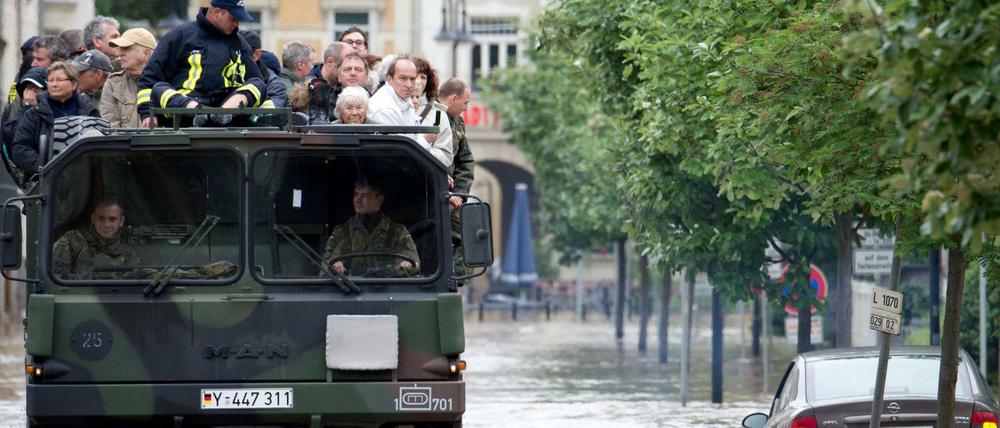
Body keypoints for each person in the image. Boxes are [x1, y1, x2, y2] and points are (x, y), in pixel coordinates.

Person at [137, 0, 266, 128]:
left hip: (227, 116)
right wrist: (147, 113)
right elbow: (149, 79)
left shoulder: (240, 44)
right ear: (216, 13)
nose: (237, 24)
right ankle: (199, 111)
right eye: (233, 18)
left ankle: (223, 113)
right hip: (186, 115)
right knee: (159, 88)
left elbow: (257, 83)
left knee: (258, 83)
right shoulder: (180, 35)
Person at [11, 61, 101, 178]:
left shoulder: (89, 111)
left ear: (74, 83)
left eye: (59, 80)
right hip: (47, 182)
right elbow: (20, 148)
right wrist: (46, 167)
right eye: (51, 80)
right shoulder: (34, 114)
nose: (54, 84)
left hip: (84, 179)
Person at [323, 179, 419, 277]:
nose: (357, 200)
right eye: (356, 194)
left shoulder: (396, 232)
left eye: (364, 196)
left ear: (380, 200)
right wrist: (334, 267)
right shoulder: (342, 232)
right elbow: (326, 267)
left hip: (386, 290)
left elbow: (413, 264)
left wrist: (403, 267)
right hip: (349, 289)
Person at [439, 78, 475, 279]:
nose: (466, 108)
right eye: (465, 103)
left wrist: (460, 195)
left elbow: (465, 160)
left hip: (453, 197)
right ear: (453, 99)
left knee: (469, 233)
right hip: (434, 191)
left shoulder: (458, 123)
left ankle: (456, 279)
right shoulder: (431, 118)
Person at [52, 197, 139, 280]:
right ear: (93, 219)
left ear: (121, 221)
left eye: (112, 219)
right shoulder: (72, 241)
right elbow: (56, 279)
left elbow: (130, 286)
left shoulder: (129, 255)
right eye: (101, 219)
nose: (106, 225)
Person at [367, 55, 438, 153]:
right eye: (402, 78)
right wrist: (425, 140)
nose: (409, 85)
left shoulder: (403, 96)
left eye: (412, 79)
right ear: (389, 78)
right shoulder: (385, 108)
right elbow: (399, 152)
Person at [101, 28, 157, 128]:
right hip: (123, 143)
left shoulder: (168, 81)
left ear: (146, 53)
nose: (119, 53)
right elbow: (110, 127)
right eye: (120, 48)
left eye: (126, 48)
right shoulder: (114, 83)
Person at [1, 67, 46, 186]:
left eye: (35, 89)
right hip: (30, 176)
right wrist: (28, 107)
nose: (30, 93)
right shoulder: (17, 109)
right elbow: (11, 137)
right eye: (27, 88)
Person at [412, 56, 452, 167]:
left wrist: (425, 151)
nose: (418, 80)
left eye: (423, 77)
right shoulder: (395, 107)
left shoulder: (438, 114)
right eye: (415, 75)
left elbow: (446, 156)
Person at [305, 41, 351, 124]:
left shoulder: (348, 85)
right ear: (330, 61)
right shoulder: (308, 87)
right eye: (346, 65)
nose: (352, 71)